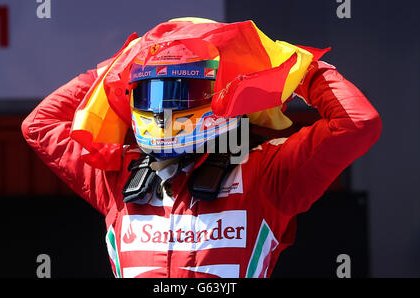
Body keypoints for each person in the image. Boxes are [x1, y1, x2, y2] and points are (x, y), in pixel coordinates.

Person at [22, 18, 382, 278]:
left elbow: (356, 124)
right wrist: (115, 68)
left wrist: (305, 73)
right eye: (151, 92)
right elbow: (39, 126)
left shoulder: (266, 173)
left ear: (218, 97)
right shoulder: (117, 175)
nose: (163, 109)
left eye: (180, 92)